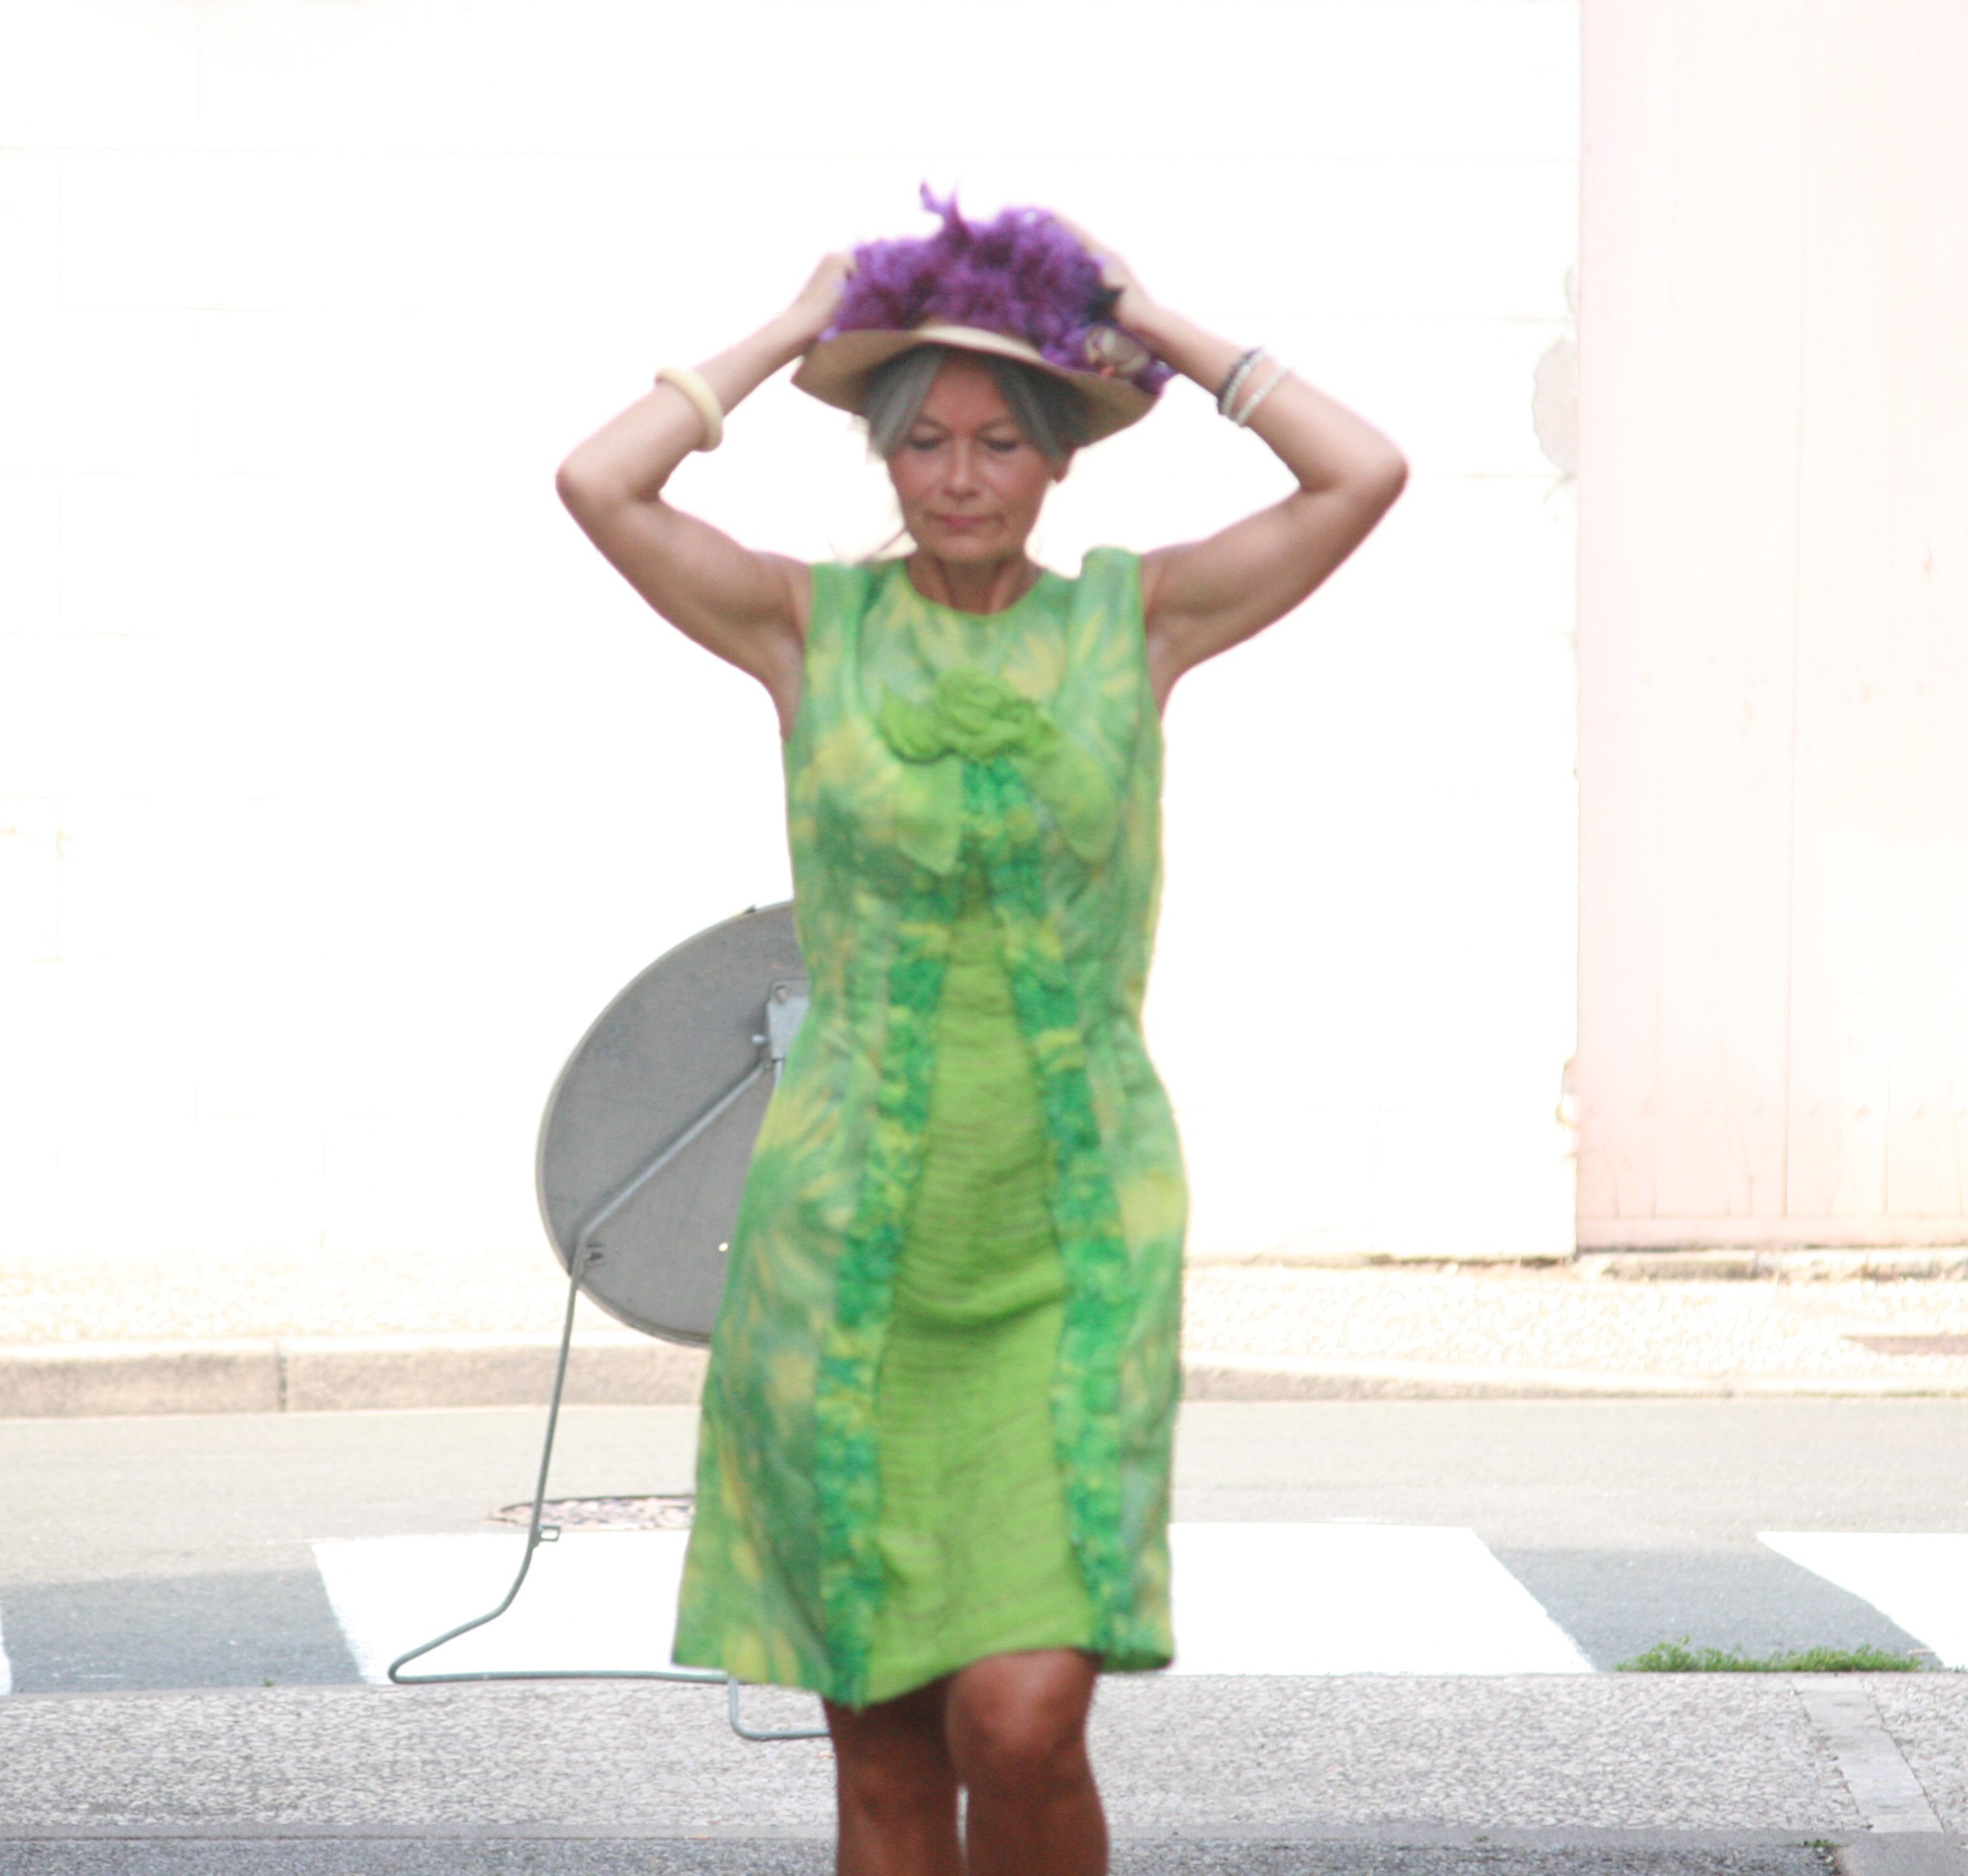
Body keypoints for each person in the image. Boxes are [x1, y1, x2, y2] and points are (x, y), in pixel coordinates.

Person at [553, 194, 1407, 1876]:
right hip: (842, 1254)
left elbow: (1361, 474)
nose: (959, 476)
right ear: (881, 456)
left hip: (1065, 1244)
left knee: (1021, 1723)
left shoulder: (1134, 624)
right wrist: (787, 329)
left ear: (1061, 459)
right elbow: (599, 483)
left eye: (1002, 440)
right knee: (883, 1762)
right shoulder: (806, 629)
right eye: (923, 438)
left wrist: (1156, 325)